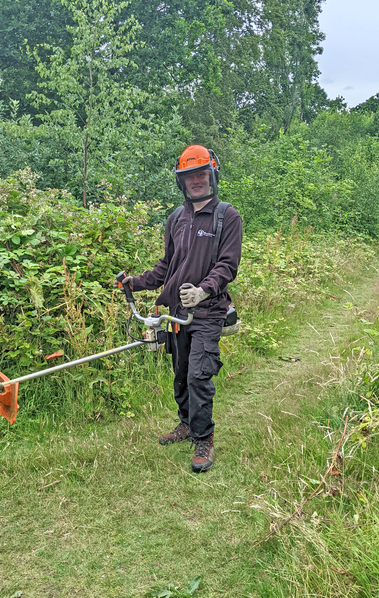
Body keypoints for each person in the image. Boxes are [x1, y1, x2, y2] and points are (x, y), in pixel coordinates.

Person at [117, 145, 242, 472]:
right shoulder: (176, 218)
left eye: (201, 174)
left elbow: (228, 266)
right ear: (181, 181)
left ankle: (204, 438)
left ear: (212, 176)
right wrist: (137, 282)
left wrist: (202, 291)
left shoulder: (227, 216)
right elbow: (166, 267)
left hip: (208, 311)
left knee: (199, 374)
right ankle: (186, 423)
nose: (196, 180)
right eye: (189, 176)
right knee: (181, 373)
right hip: (175, 313)